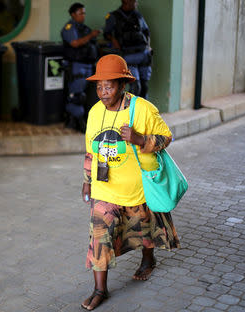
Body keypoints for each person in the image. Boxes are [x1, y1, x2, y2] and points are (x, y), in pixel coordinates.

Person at [80, 54, 180, 310]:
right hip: (106, 188)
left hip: (138, 187)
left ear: (122, 85)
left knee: (144, 228)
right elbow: (91, 150)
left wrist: (139, 139)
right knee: (99, 235)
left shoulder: (143, 109)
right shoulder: (94, 112)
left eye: (109, 86)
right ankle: (99, 289)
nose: (103, 92)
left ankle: (149, 261)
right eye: (99, 86)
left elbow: (167, 137)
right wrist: (87, 181)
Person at [61, 3, 100, 132]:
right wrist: (91, 36)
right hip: (76, 66)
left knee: (85, 96)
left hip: (88, 65)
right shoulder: (69, 27)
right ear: (73, 14)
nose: (83, 15)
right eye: (80, 13)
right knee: (77, 95)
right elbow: (75, 43)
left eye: (84, 13)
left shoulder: (85, 28)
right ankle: (77, 121)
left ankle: (74, 120)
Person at [103, 0, 152, 99]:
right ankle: (129, 112)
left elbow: (146, 32)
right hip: (128, 55)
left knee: (144, 87)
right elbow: (106, 33)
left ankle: (142, 113)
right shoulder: (113, 16)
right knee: (135, 87)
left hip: (143, 53)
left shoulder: (138, 15)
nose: (136, 4)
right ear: (126, 2)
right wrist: (114, 40)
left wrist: (148, 46)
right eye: (134, 2)